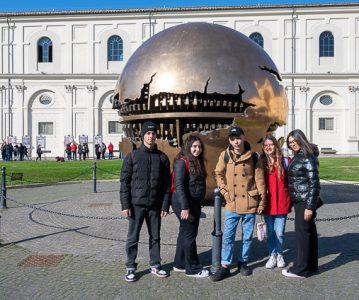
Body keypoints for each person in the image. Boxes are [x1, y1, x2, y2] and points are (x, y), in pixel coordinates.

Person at [210, 126, 266, 281]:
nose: (236, 141)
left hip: (250, 202)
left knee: (247, 236)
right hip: (232, 203)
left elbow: (260, 180)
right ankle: (225, 265)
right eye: (233, 138)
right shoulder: (225, 155)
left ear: (243, 137)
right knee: (228, 236)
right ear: (230, 140)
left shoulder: (254, 156)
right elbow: (218, 173)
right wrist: (225, 192)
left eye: (238, 138)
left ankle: (243, 262)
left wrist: (262, 203)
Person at [120, 121, 171, 282]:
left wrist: (165, 205)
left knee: (155, 237)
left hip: (155, 205)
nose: (151, 136)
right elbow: (124, 182)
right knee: (132, 237)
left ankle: (155, 265)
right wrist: (125, 204)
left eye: (153, 133)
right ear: (143, 136)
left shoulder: (162, 157)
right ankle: (130, 267)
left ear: (156, 135)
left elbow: (166, 185)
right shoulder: (133, 156)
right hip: (136, 205)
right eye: (148, 133)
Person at [282, 129, 320, 278]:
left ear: (301, 139)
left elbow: (314, 183)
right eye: (290, 142)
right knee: (309, 233)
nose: (292, 144)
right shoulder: (300, 156)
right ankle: (311, 266)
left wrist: (310, 207)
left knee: (302, 235)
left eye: (294, 141)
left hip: (305, 201)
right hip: (300, 200)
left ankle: (300, 269)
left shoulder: (307, 157)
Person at [171, 134, 210, 278]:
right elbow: (179, 186)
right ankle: (193, 268)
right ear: (188, 146)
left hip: (192, 202)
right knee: (189, 234)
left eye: (199, 147)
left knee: (184, 232)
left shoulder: (196, 161)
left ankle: (180, 263)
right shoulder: (182, 162)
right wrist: (185, 207)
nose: (197, 149)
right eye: (194, 146)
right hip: (183, 203)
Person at [261, 135, 291, 269]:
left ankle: (280, 254)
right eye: (266, 145)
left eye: (271, 144)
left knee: (279, 232)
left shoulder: (286, 161)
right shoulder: (261, 162)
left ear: (276, 146)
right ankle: (272, 255)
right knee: (270, 233)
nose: (268, 147)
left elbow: (291, 183)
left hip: (282, 203)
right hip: (268, 204)